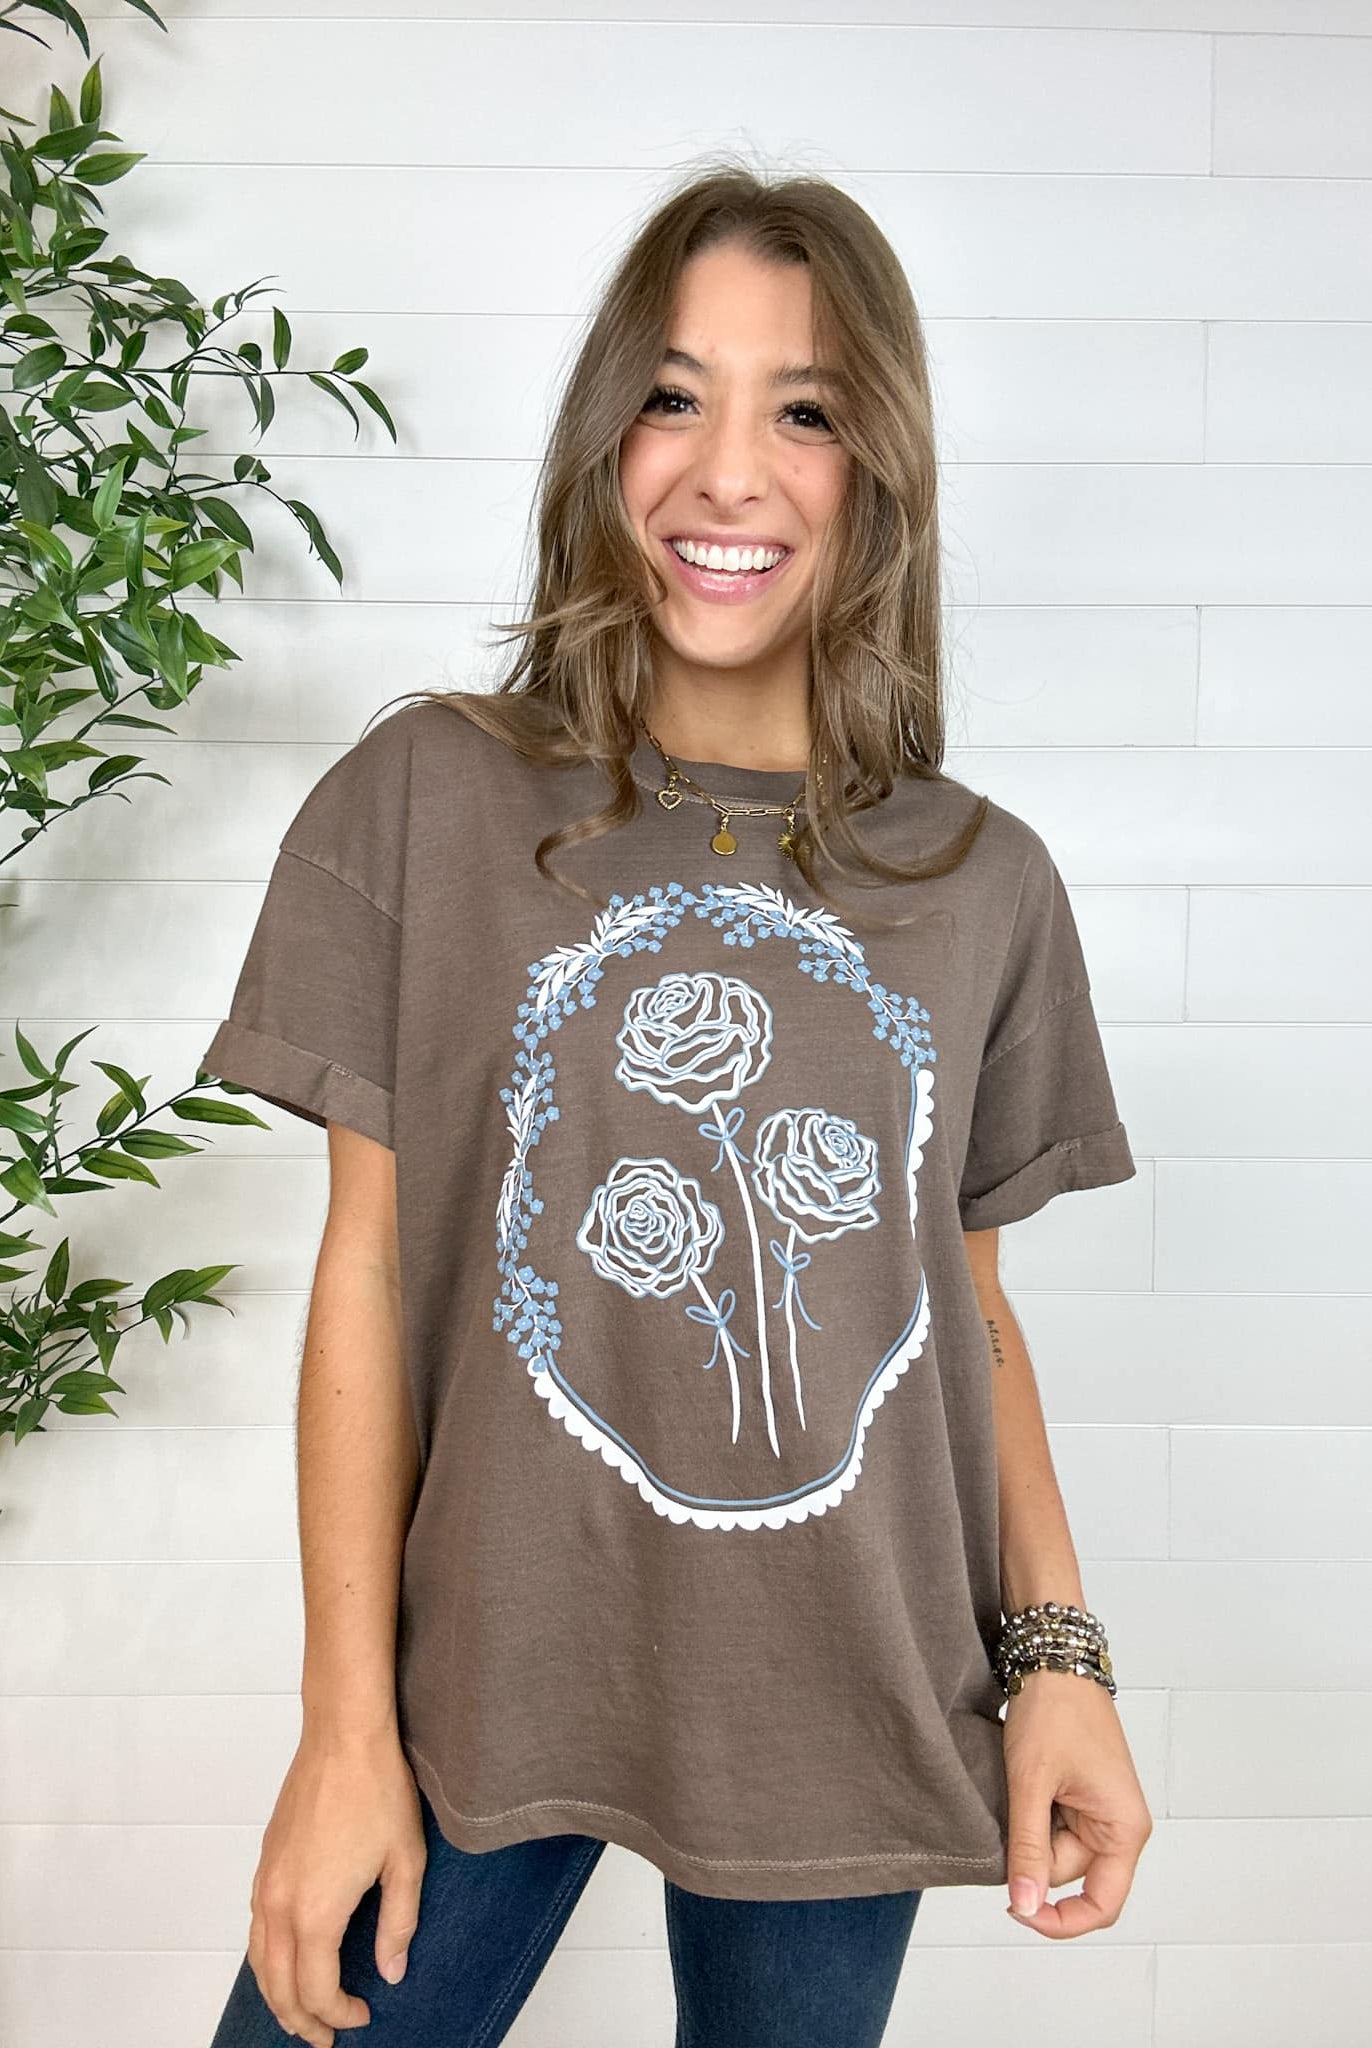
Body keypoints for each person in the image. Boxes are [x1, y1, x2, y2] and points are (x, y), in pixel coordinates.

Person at [200, 158, 1153, 2048]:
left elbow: (962, 1314)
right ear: (603, 439)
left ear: (877, 471)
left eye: (805, 411)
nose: (729, 474)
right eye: (672, 395)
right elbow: (365, 1272)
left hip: (848, 1689)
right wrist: (340, 1732)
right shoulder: (432, 799)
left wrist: (1061, 1661)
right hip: (484, 1682)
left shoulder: (978, 879)